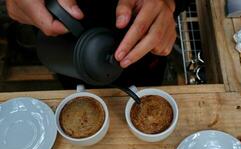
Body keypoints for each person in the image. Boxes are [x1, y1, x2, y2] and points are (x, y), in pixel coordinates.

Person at [6, 0, 190, 86]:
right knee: (75, 85)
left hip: (142, 38)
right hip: (63, 41)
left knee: (145, 83)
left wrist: (169, 2)